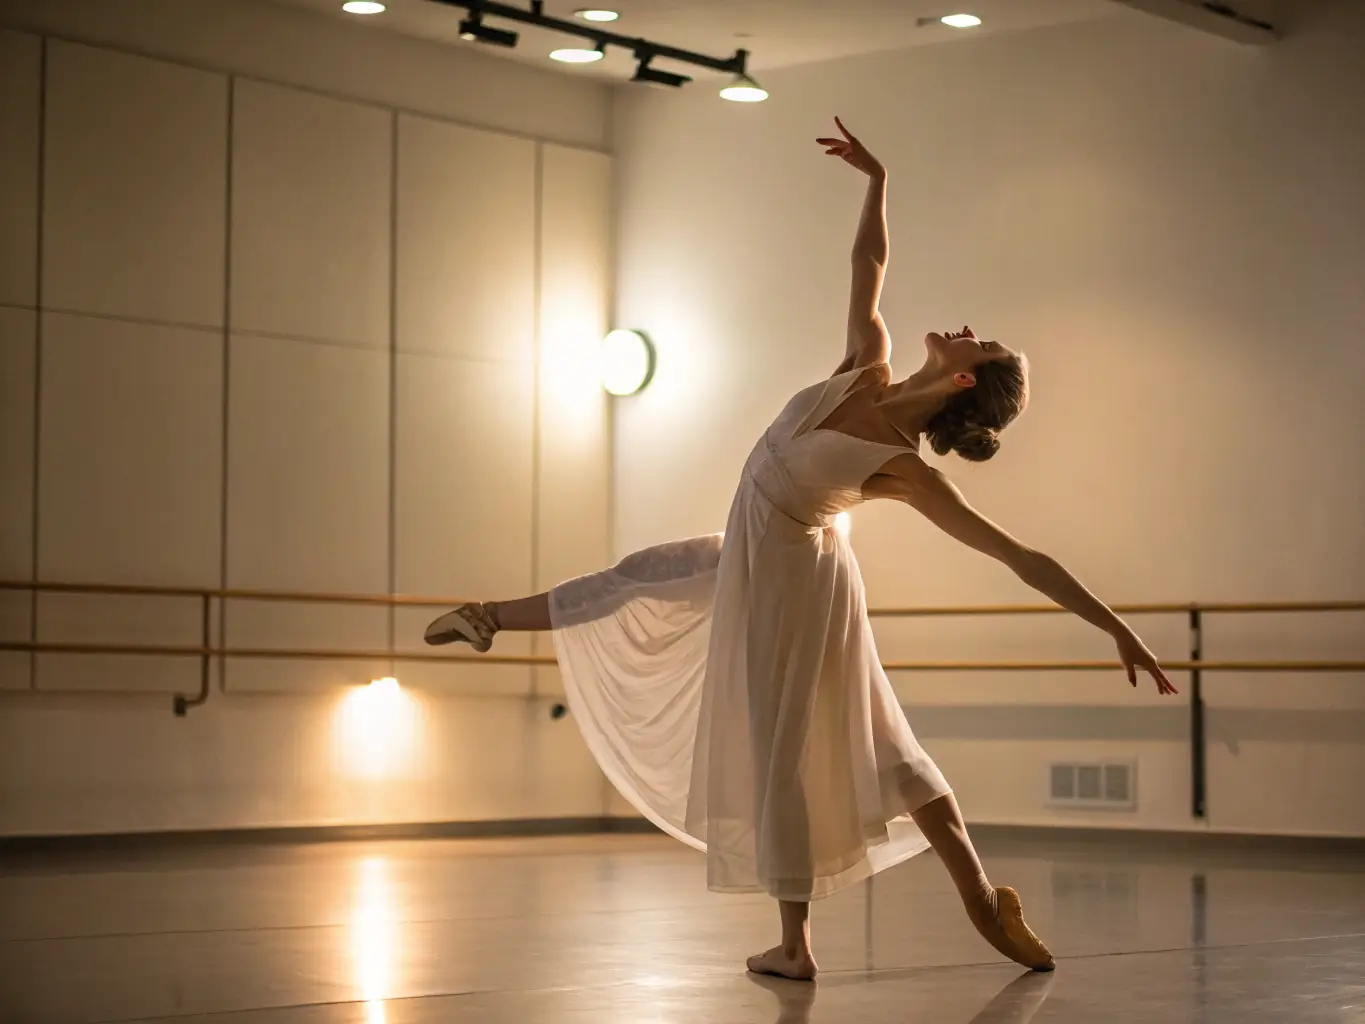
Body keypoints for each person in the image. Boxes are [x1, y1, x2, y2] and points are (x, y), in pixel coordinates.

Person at [423, 117, 1178, 981]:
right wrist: (876, 180)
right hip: (757, 543)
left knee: (793, 745)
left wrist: (1114, 625)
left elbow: (1019, 556)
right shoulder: (868, 364)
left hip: (794, 578)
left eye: (982, 340)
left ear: (965, 378)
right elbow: (869, 267)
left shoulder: (903, 473)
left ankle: (799, 945)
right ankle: (487, 616)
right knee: (645, 578)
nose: (969, 327)